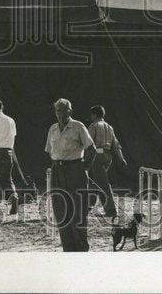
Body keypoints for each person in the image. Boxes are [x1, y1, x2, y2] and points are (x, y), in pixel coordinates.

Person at [45, 98, 96, 252]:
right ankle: (68, 249)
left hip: (75, 170)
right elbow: (50, 151)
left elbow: (91, 149)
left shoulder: (78, 126)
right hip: (57, 171)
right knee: (60, 212)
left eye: (63, 110)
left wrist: (83, 168)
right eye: (57, 111)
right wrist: (58, 164)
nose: (59, 114)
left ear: (70, 111)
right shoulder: (52, 129)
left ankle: (81, 250)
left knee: (77, 213)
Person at [87, 105, 127, 218]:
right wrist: (121, 158)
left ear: (94, 114)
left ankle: (111, 209)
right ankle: (89, 204)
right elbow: (116, 145)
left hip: (97, 155)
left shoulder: (93, 125)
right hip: (108, 156)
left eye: (91, 114)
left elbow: (89, 143)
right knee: (96, 180)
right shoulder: (110, 127)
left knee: (102, 183)